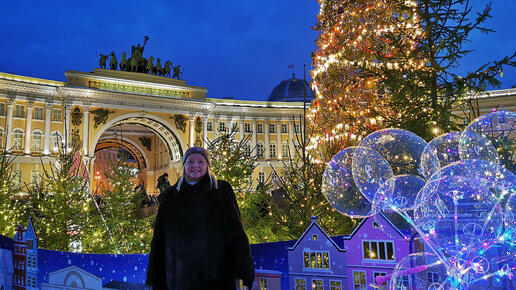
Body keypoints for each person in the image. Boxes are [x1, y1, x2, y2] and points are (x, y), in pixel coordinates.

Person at [146, 147, 255, 289]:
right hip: (179, 278)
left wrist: (243, 271)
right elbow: (159, 240)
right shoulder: (171, 195)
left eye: (200, 161)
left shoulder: (221, 191)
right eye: (190, 161)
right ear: (184, 165)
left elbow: (236, 234)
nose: (195, 166)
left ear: (207, 165)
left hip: (216, 276)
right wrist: (155, 278)